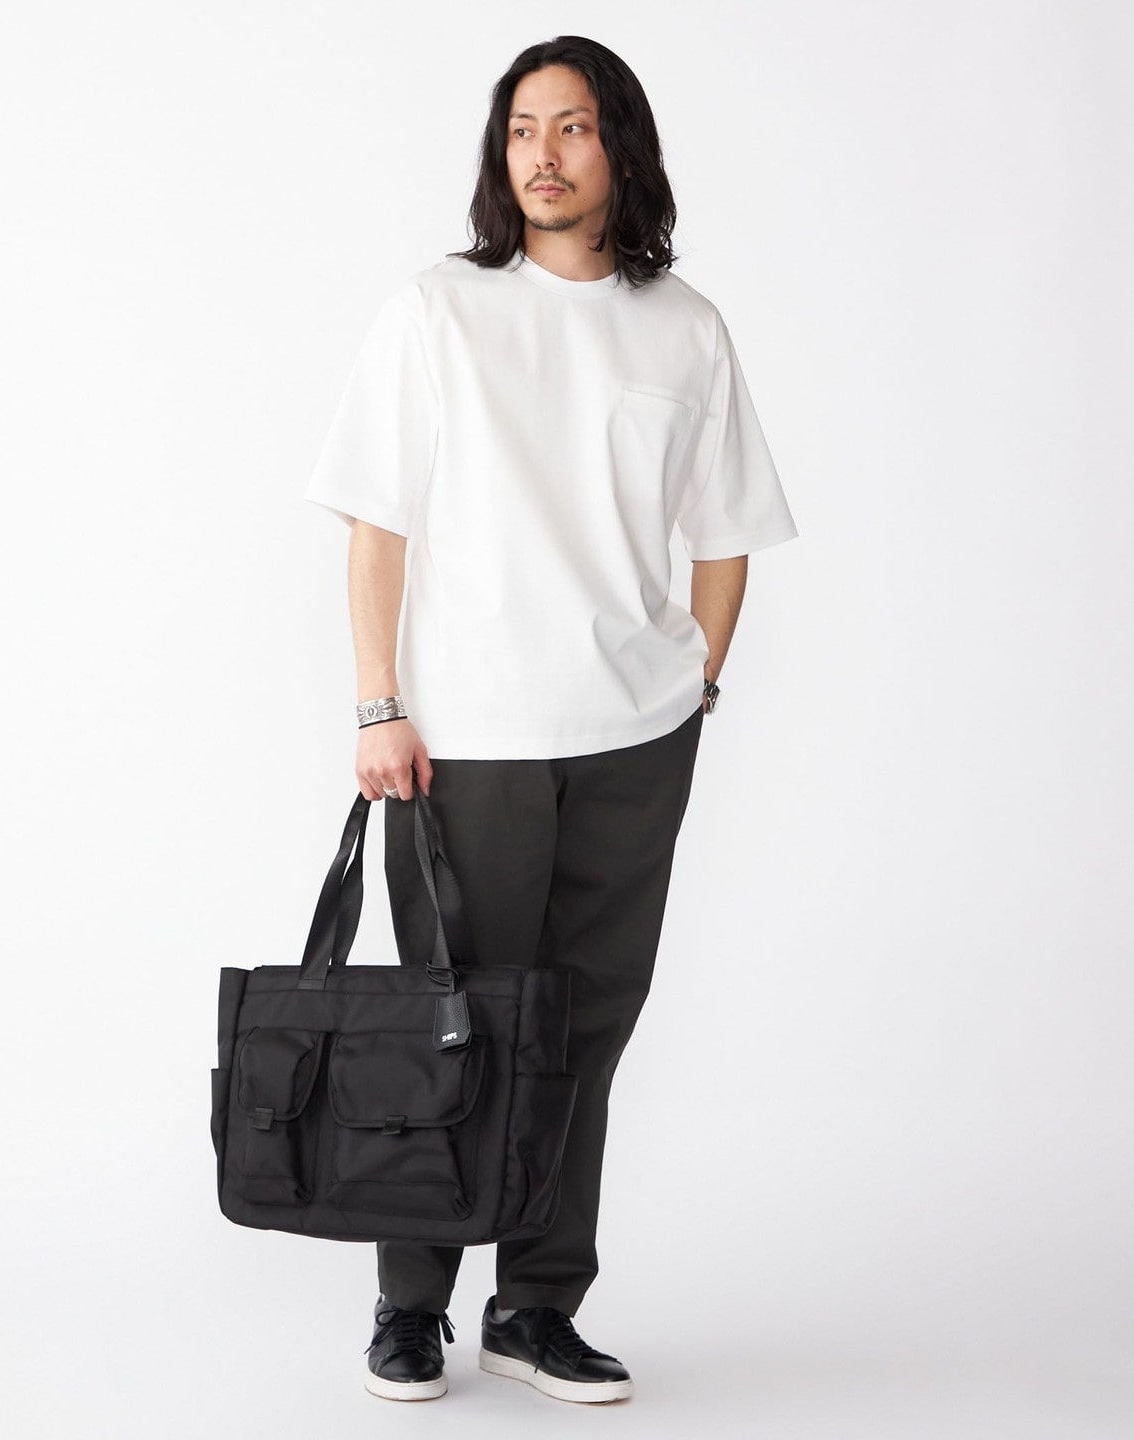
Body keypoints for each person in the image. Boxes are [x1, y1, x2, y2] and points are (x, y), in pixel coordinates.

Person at [304, 34, 797, 1405]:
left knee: (585, 1031)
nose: (543, 153)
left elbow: (727, 530)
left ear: (619, 148)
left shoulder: (685, 326)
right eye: (522, 128)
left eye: (572, 127)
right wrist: (378, 704)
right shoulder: (439, 312)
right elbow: (376, 524)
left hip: (635, 742)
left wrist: (694, 685)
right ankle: (412, 1306)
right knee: (450, 1022)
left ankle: (536, 1305)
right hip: (468, 743)